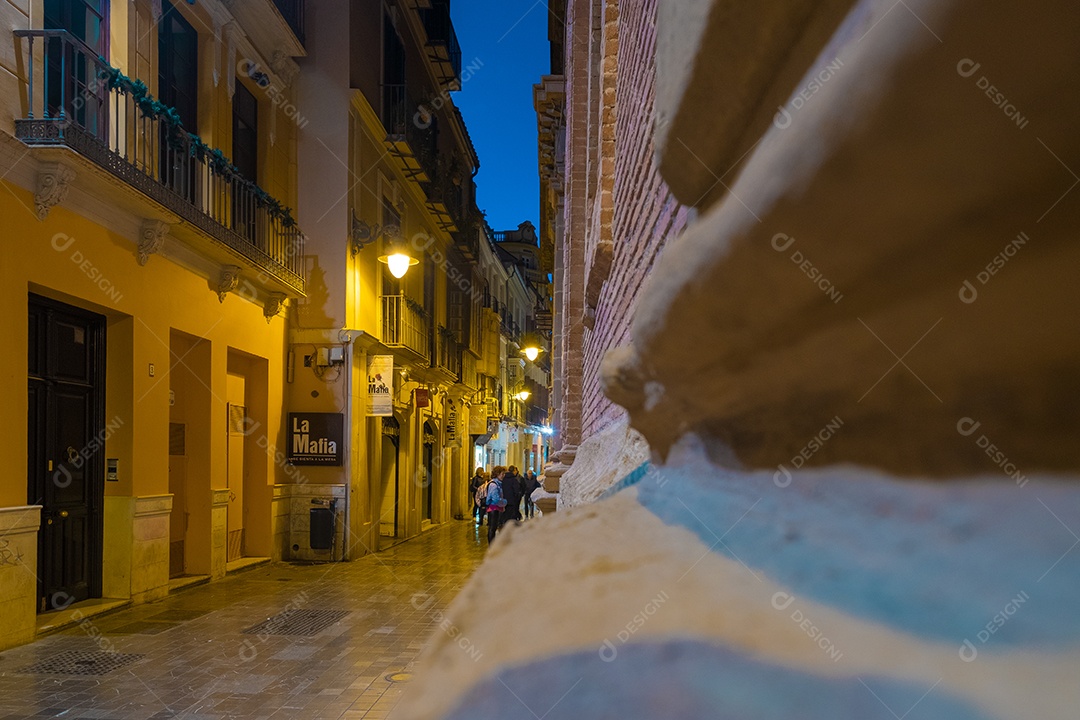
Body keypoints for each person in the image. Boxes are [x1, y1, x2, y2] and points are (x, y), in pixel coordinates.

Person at [485, 466, 508, 544]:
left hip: (494, 507)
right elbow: (496, 499)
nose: (503, 475)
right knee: (492, 527)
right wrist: (504, 502)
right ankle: (491, 545)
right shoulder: (494, 485)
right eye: (502, 474)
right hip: (493, 508)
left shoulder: (497, 484)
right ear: (497, 474)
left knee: (493, 527)